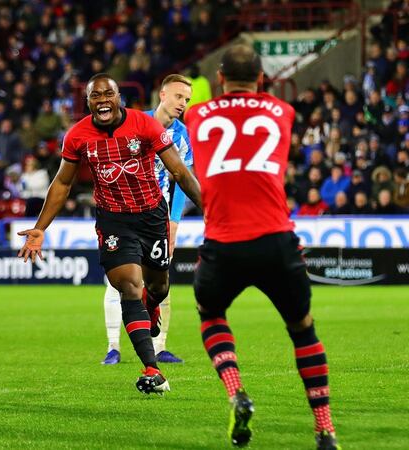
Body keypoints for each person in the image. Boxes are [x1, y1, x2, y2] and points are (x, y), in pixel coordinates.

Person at [185, 45, 339, 449]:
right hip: (276, 239)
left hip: (223, 243)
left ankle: (236, 390)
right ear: (261, 78)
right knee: (302, 329)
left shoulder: (198, 114)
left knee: (211, 314)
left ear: (219, 78)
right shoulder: (281, 111)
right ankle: (324, 429)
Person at [17, 73, 202, 395]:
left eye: (108, 94)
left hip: (152, 215)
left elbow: (179, 171)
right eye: (95, 96)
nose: (102, 100)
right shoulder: (77, 136)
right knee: (129, 286)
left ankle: (152, 305)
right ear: (88, 102)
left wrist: (210, 209)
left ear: (119, 98)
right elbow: (62, 183)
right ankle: (151, 370)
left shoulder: (145, 126)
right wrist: (40, 228)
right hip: (113, 220)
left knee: (158, 286)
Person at [101, 74, 194, 366]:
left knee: (159, 279)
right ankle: (113, 346)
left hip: (158, 218)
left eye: (187, 100)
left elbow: (183, 179)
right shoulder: (134, 123)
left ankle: (160, 345)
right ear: (162, 94)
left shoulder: (181, 135)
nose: (183, 104)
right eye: (179, 97)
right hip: (124, 214)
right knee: (119, 280)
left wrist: (174, 221)